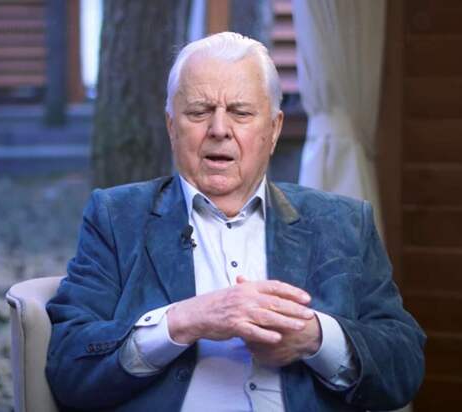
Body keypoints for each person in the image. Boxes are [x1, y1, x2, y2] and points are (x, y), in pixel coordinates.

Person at [45, 32, 425, 412]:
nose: (219, 129)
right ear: (171, 126)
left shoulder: (343, 223)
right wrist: (182, 322)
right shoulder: (117, 217)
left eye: (240, 112)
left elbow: (404, 366)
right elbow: (69, 367)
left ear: (273, 130)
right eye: (199, 112)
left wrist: (315, 338)